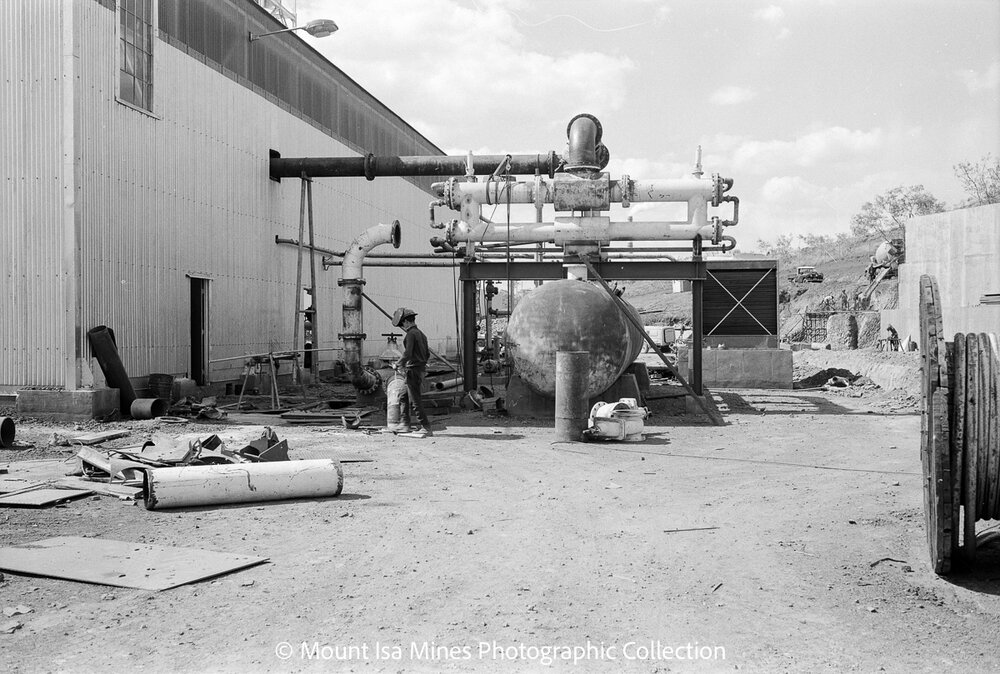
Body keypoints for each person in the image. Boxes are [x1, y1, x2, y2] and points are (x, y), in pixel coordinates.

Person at [391, 307, 432, 436]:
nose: (403, 327)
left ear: (407, 322)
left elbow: (407, 353)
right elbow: (427, 353)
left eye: (402, 324)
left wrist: (398, 364)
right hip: (418, 369)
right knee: (403, 396)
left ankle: (425, 426)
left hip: (412, 370)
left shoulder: (410, 334)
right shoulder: (421, 334)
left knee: (415, 400)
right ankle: (404, 424)